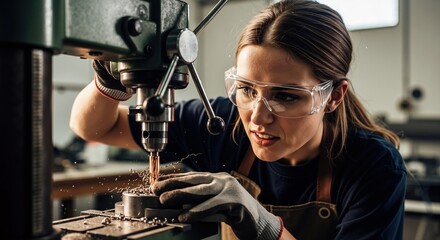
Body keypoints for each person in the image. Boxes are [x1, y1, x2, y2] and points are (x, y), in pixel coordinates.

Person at [70, 0, 407, 239]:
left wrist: (264, 226)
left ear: (332, 96)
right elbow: (92, 127)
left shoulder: (373, 166)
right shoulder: (222, 123)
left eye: (285, 96)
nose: (258, 118)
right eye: (246, 89)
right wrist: (109, 82)